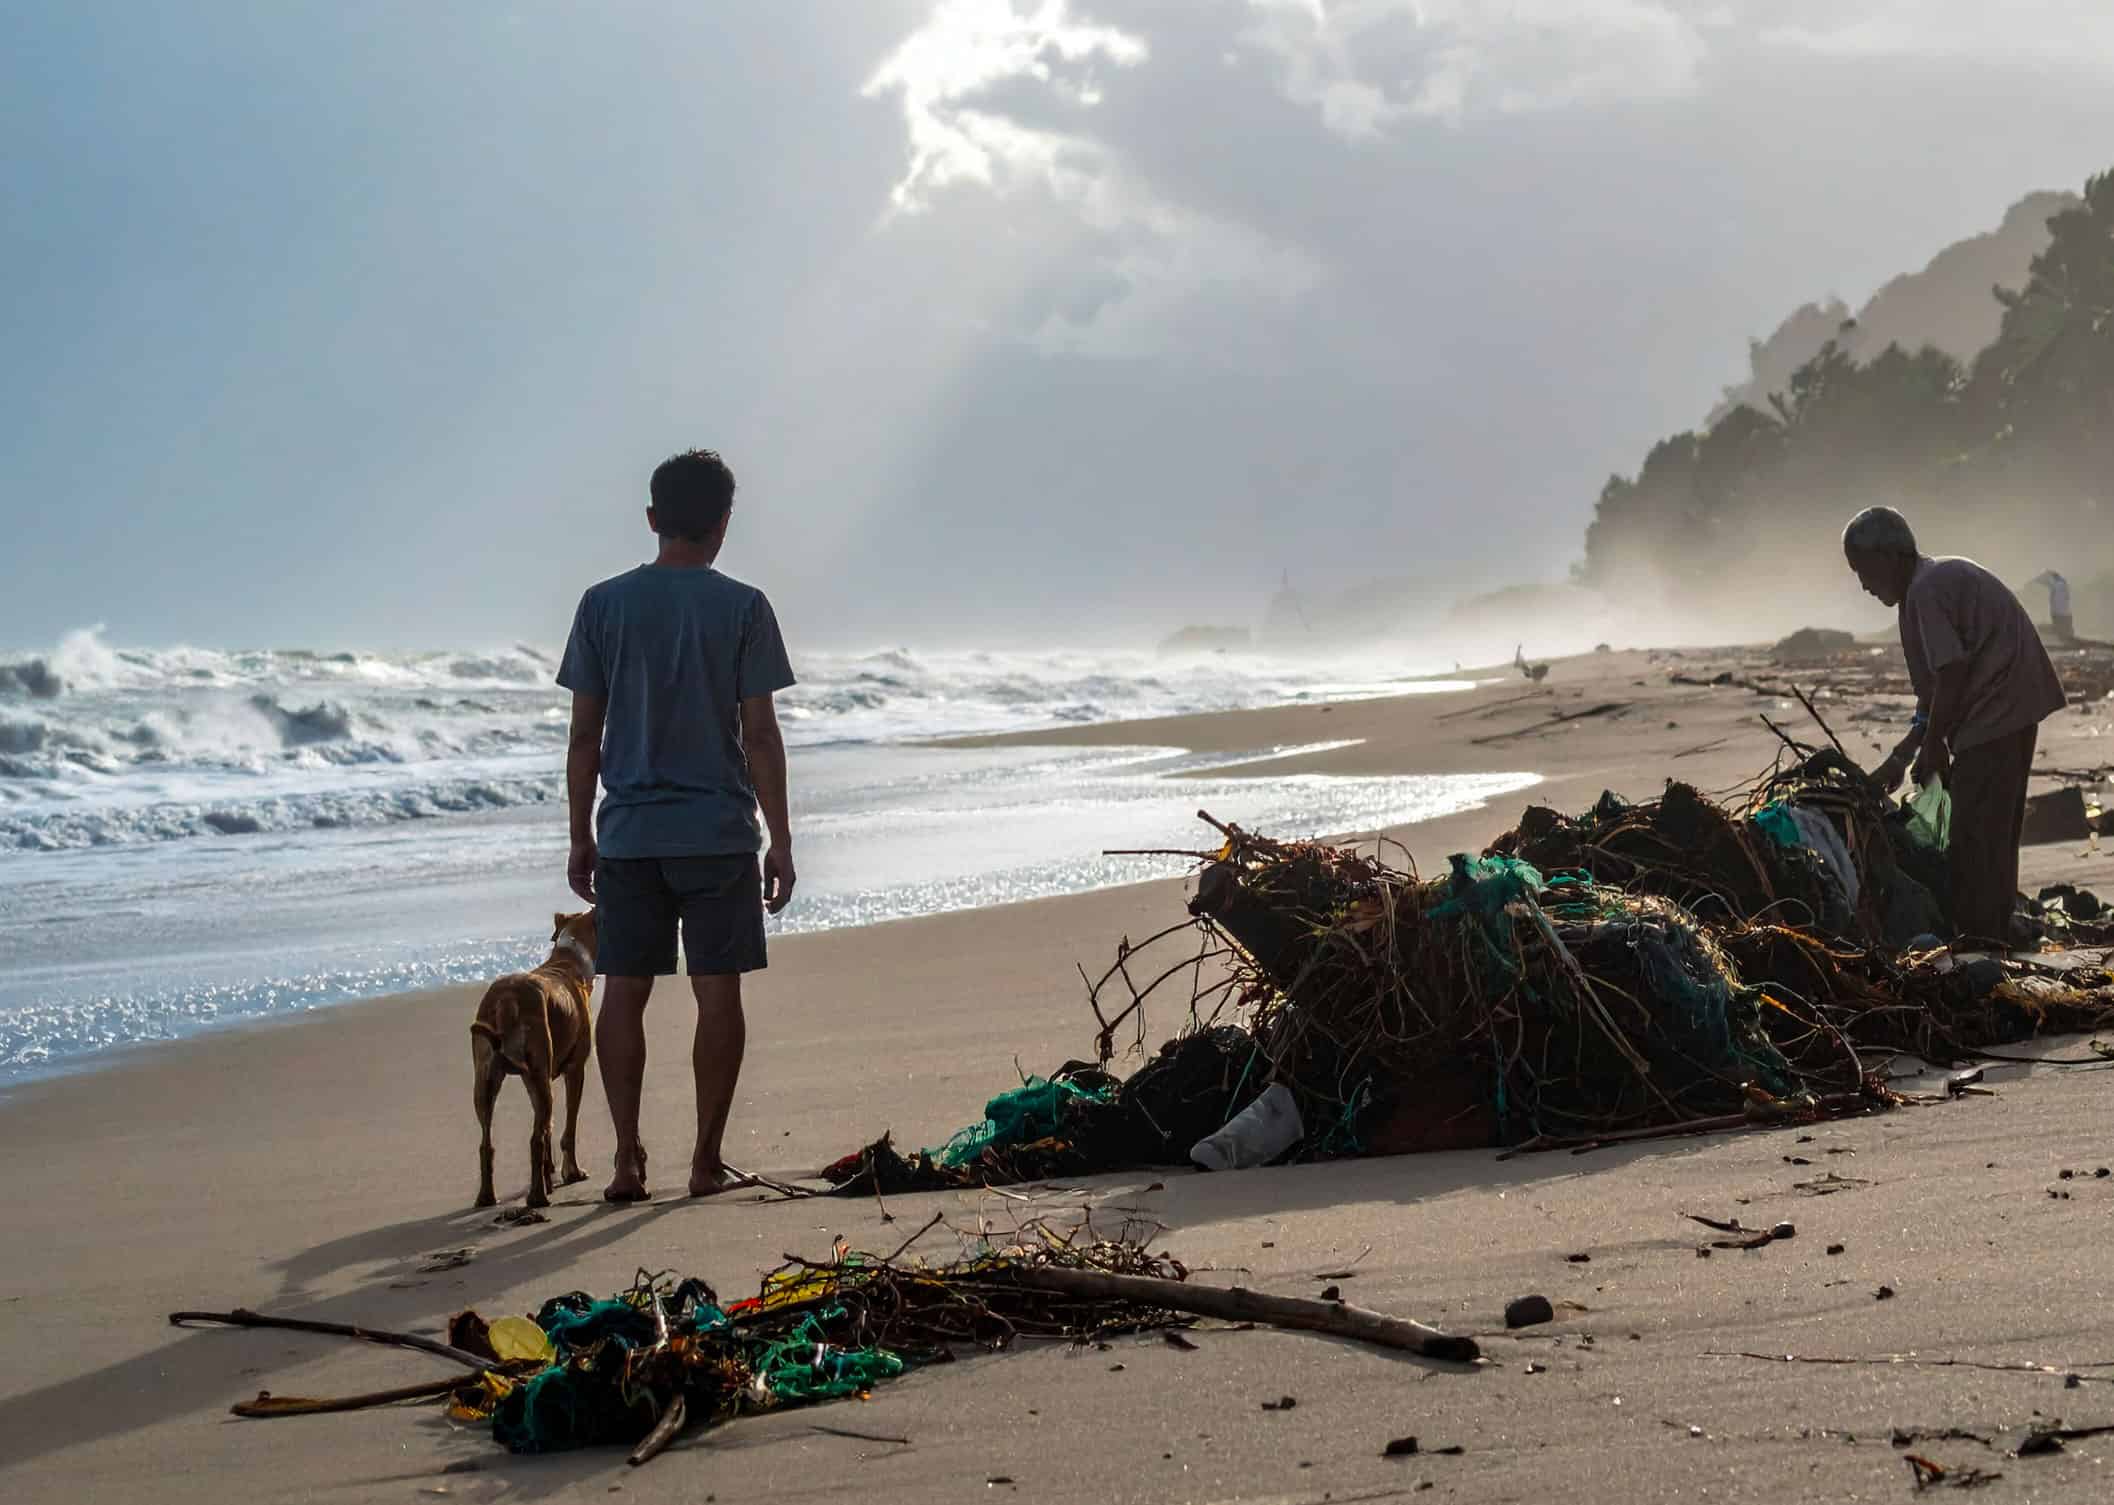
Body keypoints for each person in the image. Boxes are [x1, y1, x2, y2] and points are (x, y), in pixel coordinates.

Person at [557, 449, 797, 1201]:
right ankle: (704, 1160)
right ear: (724, 522)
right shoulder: (745, 608)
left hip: (629, 834)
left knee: (624, 992)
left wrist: (579, 833)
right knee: (717, 995)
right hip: (719, 832)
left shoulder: (602, 605)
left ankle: (627, 1159)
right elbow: (759, 734)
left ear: (653, 519)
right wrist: (782, 839)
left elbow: (583, 737)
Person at [1844, 507, 2065, 947]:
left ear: (1890, 556)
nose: (1863, 585)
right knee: (1992, 827)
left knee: (1976, 832)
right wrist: (1903, 754)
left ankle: (1984, 936)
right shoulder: (1925, 587)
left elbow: (1953, 671)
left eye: (1864, 570)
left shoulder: (1926, 590)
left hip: (1998, 707)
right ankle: (1996, 926)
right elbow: (1933, 693)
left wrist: (1931, 750)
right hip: (2011, 704)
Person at [2028, 569, 2075, 644]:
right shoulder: (2062, 584)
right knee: (2063, 632)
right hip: (2064, 615)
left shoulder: (2058, 584)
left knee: (2060, 632)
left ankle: (2066, 640)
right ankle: (2067, 639)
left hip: (2060, 615)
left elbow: (2045, 581)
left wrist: (2037, 579)